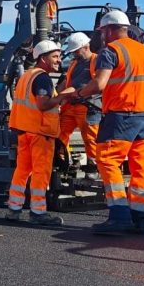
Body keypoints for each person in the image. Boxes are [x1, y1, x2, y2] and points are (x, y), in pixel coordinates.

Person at [74, 10, 144, 235]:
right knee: (141, 168)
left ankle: (119, 216)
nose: (102, 35)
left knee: (108, 160)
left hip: (122, 115)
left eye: (102, 31)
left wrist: (80, 93)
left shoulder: (110, 51)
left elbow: (100, 84)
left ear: (109, 30)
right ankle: (138, 219)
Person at [5, 40, 75, 226]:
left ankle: (14, 208)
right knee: (40, 172)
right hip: (40, 132)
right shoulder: (42, 77)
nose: (58, 60)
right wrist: (64, 95)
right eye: (55, 56)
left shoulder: (28, 76)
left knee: (22, 171)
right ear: (43, 58)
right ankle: (38, 212)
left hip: (24, 130)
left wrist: (58, 92)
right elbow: (43, 104)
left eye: (59, 56)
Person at [57, 32, 101, 178]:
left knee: (91, 138)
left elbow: (77, 87)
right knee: (60, 134)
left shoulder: (96, 61)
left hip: (88, 105)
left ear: (85, 46)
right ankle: (61, 163)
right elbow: (66, 82)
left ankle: (93, 168)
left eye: (76, 50)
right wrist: (57, 93)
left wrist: (57, 99)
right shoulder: (74, 63)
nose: (74, 54)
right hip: (71, 105)